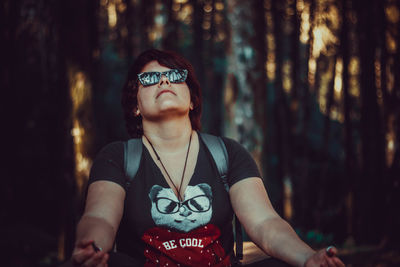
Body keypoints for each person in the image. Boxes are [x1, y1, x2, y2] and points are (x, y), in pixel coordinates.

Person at [71, 49, 345, 267]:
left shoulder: (228, 153)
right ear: (134, 105)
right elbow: (100, 217)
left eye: (176, 76)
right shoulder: (118, 156)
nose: (165, 81)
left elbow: (264, 222)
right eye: (150, 79)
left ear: (192, 100)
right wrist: (91, 248)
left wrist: (308, 258)